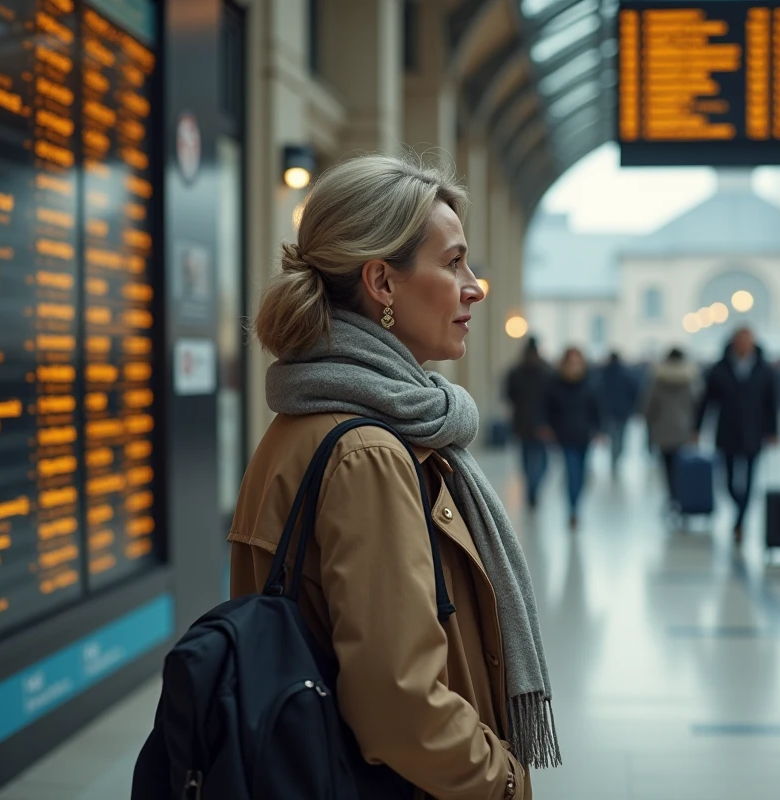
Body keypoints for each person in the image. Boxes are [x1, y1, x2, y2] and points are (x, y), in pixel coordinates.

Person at [228, 154, 559, 798]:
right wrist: (505, 781)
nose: (474, 287)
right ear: (382, 282)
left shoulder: (311, 418)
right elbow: (400, 706)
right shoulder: (369, 453)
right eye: (453, 263)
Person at [696, 327, 779, 544]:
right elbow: (707, 401)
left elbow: (771, 403)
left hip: (754, 432)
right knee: (727, 481)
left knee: (750, 479)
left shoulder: (763, 369)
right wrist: (698, 428)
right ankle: (739, 507)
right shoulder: (720, 369)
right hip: (727, 432)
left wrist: (773, 431)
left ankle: (740, 520)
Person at [546, 347, 603, 530]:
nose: (574, 366)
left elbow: (596, 407)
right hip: (565, 435)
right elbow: (548, 407)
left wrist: (599, 429)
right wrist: (547, 426)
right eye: (570, 362)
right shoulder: (555, 383)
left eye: (577, 362)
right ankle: (573, 509)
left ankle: (576, 504)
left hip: (584, 435)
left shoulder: (589, 382)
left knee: (582, 473)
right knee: (572, 472)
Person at [642, 347, 702, 488]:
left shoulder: (658, 378)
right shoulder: (691, 378)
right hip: (684, 427)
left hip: (662, 427)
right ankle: (681, 489)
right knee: (683, 463)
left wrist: (648, 421)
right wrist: (696, 427)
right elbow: (697, 403)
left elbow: (649, 403)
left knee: (667, 463)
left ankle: (672, 491)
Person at [506, 338, 553, 509]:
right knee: (542, 461)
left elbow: (509, 395)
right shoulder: (546, 372)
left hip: (523, 423)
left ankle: (531, 487)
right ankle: (533, 487)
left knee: (528, 460)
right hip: (540, 423)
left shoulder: (516, 372)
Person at [597, 351, 641, 475]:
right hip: (623, 412)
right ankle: (615, 461)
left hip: (608, 411)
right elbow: (635, 391)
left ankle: (613, 460)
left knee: (612, 437)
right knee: (619, 438)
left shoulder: (603, 373)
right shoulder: (626, 373)